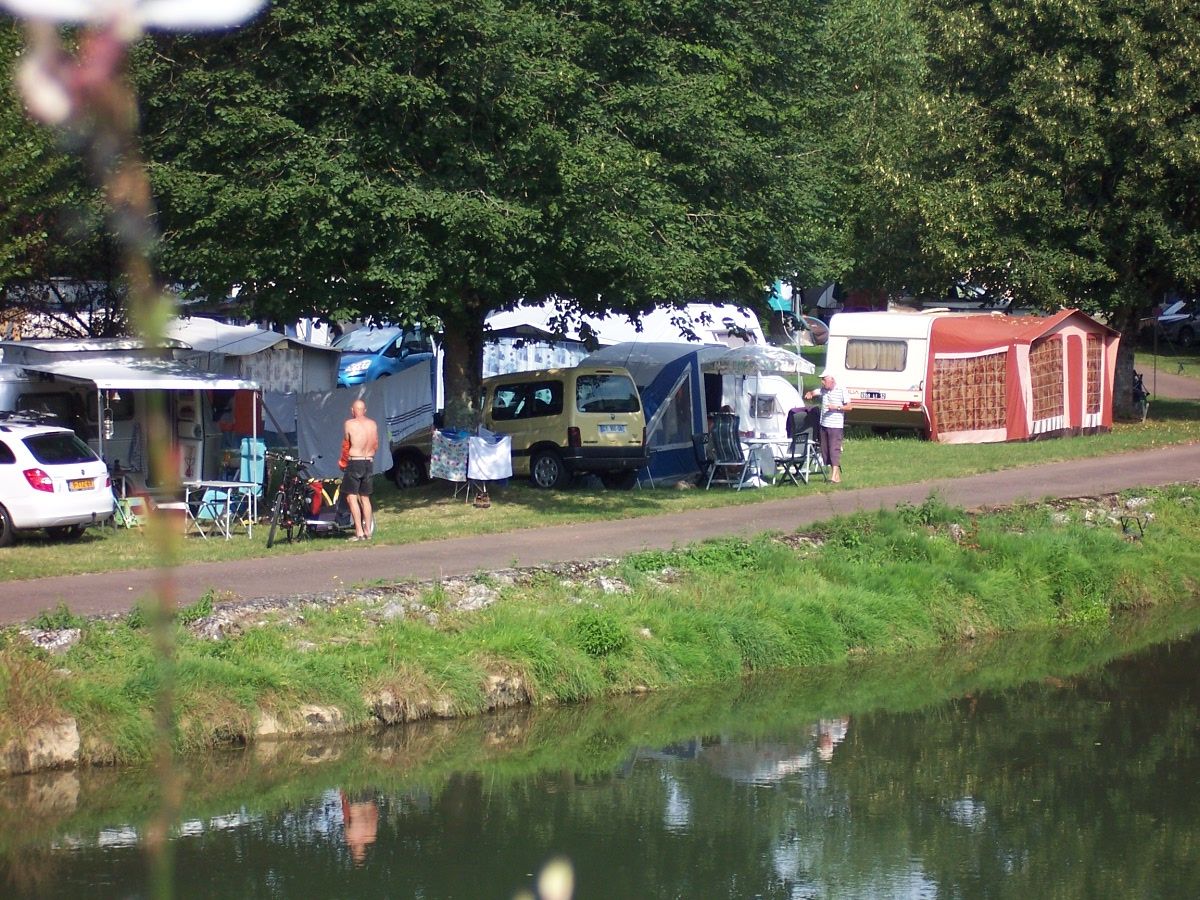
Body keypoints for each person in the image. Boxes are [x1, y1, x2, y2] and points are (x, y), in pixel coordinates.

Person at [803, 370, 850, 483]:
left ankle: (833, 477)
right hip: (824, 424)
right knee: (825, 451)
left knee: (834, 449)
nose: (822, 382)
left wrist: (836, 407)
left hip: (835, 425)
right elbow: (814, 392)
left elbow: (849, 407)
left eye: (824, 380)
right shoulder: (823, 390)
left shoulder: (841, 390)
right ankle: (837, 476)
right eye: (822, 380)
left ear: (832, 380)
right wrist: (810, 394)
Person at [342, 398, 379, 541]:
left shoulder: (349, 424)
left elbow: (346, 443)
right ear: (365, 410)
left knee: (351, 497)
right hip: (368, 461)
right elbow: (375, 444)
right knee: (365, 497)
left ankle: (359, 532)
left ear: (352, 411)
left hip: (355, 461)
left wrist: (343, 461)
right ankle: (368, 531)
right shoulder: (373, 424)